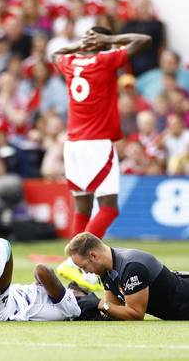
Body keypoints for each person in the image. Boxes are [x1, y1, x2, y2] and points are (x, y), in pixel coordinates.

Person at [52, 27, 151, 289]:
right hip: (97, 143)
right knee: (108, 207)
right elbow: (144, 39)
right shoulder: (105, 59)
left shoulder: (69, 62)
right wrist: (109, 41)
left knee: (83, 208)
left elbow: (55, 53)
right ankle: (75, 263)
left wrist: (80, 45)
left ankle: (76, 281)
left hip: (72, 143)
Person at [65, 232, 189, 320]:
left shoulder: (132, 267)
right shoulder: (106, 270)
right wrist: (86, 308)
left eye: (84, 267)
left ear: (93, 256)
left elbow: (135, 314)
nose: (85, 272)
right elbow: (113, 311)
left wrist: (99, 303)